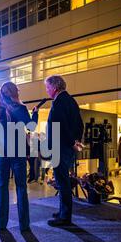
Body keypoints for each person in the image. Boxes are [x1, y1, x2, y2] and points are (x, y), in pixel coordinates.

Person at [0, 81, 38, 232]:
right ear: (14, 93)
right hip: (18, 153)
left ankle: (1, 224)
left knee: (2, 187)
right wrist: (35, 114)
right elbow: (31, 127)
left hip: (2, 153)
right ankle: (24, 225)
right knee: (21, 188)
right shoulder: (21, 108)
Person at [44, 75, 83, 227]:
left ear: (54, 87)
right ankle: (62, 211)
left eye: (48, 87)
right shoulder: (71, 100)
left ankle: (65, 216)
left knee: (62, 182)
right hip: (66, 147)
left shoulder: (59, 102)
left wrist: (69, 142)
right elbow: (80, 125)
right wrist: (75, 142)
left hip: (60, 147)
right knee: (63, 180)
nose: (47, 90)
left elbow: (59, 127)